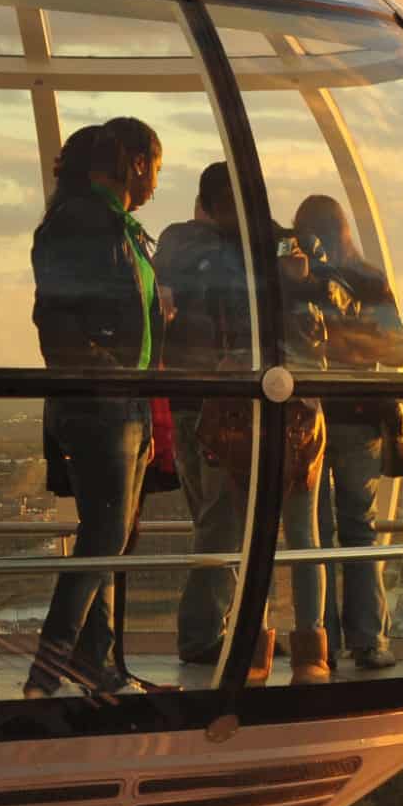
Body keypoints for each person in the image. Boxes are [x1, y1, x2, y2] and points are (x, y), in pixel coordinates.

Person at [25, 118, 163, 699]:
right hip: (102, 406)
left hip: (122, 403)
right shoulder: (87, 222)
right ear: (135, 163)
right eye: (157, 165)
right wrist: (108, 370)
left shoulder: (114, 226)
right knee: (105, 535)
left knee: (112, 535)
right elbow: (55, 318)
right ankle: (49, 671)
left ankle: (96, 663)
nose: (158, 179)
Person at [188, 209, 342, 685]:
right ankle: (303, 651)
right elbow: (327, 323)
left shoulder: (229, 259)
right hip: (280, 408)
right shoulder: (280, 254)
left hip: (262, 411)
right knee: (296, 534)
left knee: (270, 534)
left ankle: (264, 645)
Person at [294, 195, 403, 671]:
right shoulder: (369, 280)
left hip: (309, 418)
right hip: (359, 419)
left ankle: (326, 644)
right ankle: (369, 640)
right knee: (359, 530)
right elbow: (398, 350)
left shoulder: (295, 280)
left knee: (316, 533)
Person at [154, 162, 251, 671]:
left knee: (209, 516)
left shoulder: (170, 247)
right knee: (223, 521)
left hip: (181, 403)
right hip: (221, 405)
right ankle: (203, 637)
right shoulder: (231, 254)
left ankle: (215, 630)